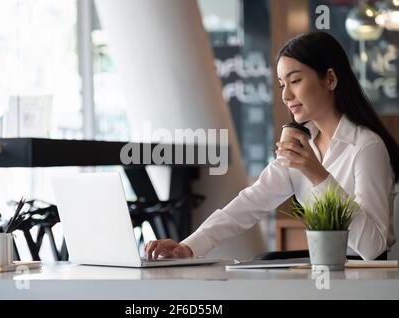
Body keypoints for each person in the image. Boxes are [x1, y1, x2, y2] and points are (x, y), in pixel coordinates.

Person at [145, 31, 399, 261]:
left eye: (295, 80)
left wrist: (318, 175)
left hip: (365, 282)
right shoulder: (302, 144)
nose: (286, 95)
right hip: (325, 275)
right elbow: (250, 203)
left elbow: (372, 248)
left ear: (330, 79)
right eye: (281, 85)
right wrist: (188, 247)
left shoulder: (366, 147)